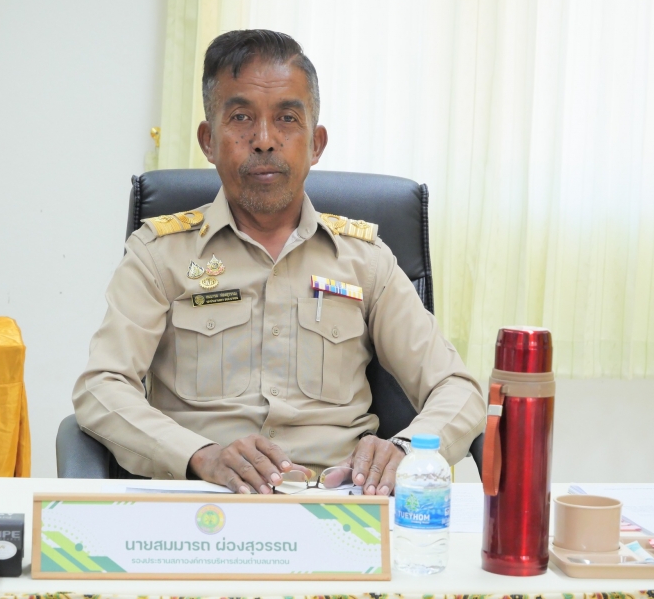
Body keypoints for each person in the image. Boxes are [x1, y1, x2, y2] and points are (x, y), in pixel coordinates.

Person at [73, 29, 485, 496]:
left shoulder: (365, 261)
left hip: (338, 503)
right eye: (241, 117)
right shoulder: (158, 255)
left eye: (287, 118)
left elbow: (457, 388)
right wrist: (200, 455)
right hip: (204, 502)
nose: (265, 140)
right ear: (208, 140)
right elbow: (100, 387)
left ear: (316, 143)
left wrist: (406, 451)